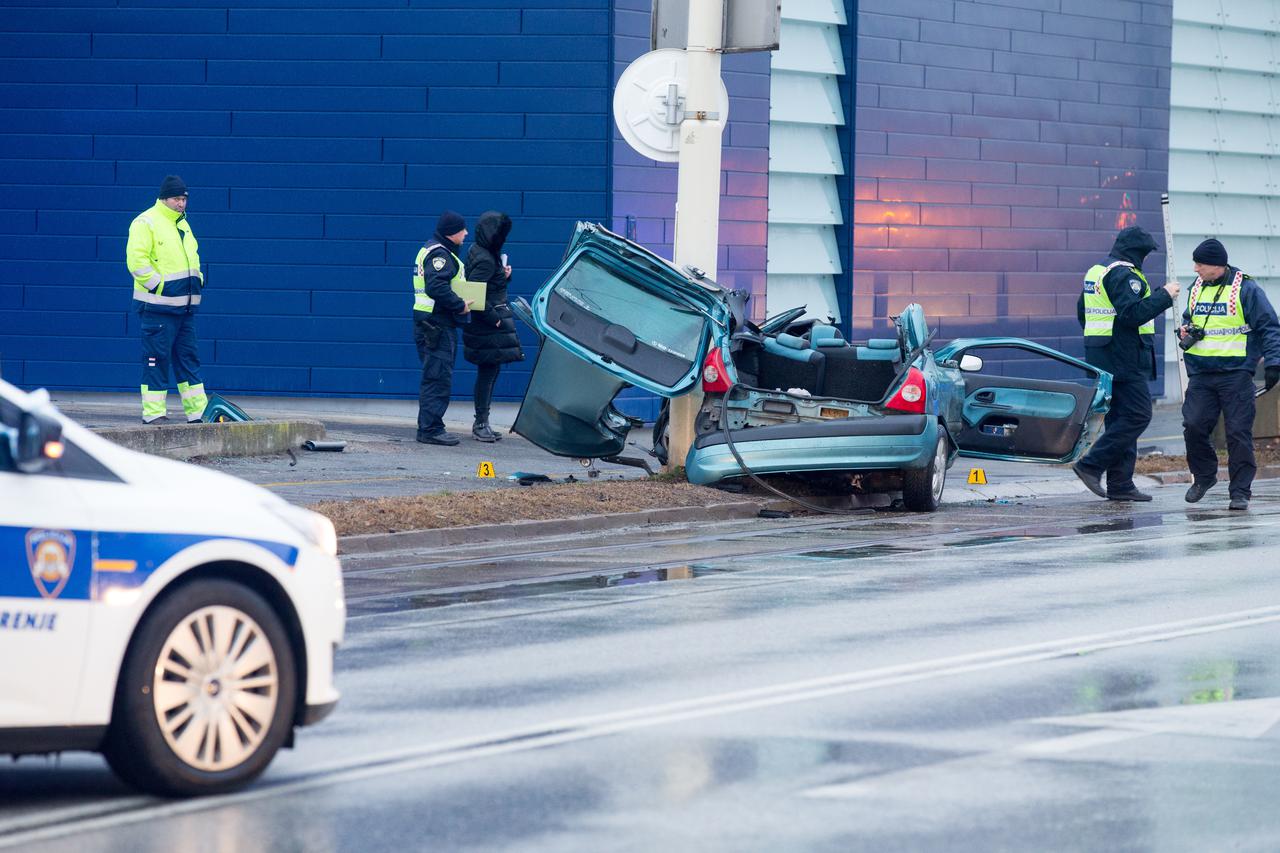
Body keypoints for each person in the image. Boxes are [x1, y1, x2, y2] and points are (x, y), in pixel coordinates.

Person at [1073, 225, 1179, 501]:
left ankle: (1121, 485)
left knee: (1121, 420)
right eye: (1145, 254)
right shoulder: (1123, 273)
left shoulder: (1098, 270)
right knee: (1138, 415)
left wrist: (1100, 341)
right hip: (1124, 358)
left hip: (1104, 356)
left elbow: (1082, 311)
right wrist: (1164, 295)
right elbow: (1132, 314)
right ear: (1137, 252)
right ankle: (1091, 465)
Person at [1178, 238, 1280, 510]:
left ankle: (1240, 491)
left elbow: (1270, 326)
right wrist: (1186, 329)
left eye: (1200, 263)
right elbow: (1190, 318)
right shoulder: (1196, 287)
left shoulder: (1246, 289)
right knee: (1194, 426)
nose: (1196, 268)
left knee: (1238, 433)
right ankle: (1204, 476)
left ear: (1216, 265)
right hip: (1201, 373)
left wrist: (1273, 363)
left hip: (1235, 374)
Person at [126, 175, 208, 424]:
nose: (181, 203)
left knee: (188, 360)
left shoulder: (182, 224)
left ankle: (199, 414)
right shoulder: (146, 222)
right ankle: (153, 415)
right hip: (157, 308)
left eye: (184, 199)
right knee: (157, 361)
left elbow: (191, 260)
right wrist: (159, 287)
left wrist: (198, 281)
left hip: (184, 308)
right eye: (176, 198)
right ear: (164, 198)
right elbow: (136, 261)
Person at [462, 211, 524, 442]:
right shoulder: (486, 258)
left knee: (490, 372)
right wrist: (494, 318)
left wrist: (503, 275)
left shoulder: (481, 251)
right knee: (487, 374)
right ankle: (481, 423)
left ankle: (483, 422)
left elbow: (487, 285)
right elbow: (474, 291)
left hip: (487, 323)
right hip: (487, 325)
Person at [412, 211, 472, 446]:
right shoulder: (440, 254)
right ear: (452, 232)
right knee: (437, 377)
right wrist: (460, 305)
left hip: (430, 323)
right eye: (463, 229)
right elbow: (436, 286)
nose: (466, 233)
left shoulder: (433, 249)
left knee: (434, 375)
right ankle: (430, 429)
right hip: (436, 325)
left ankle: (431, 426)